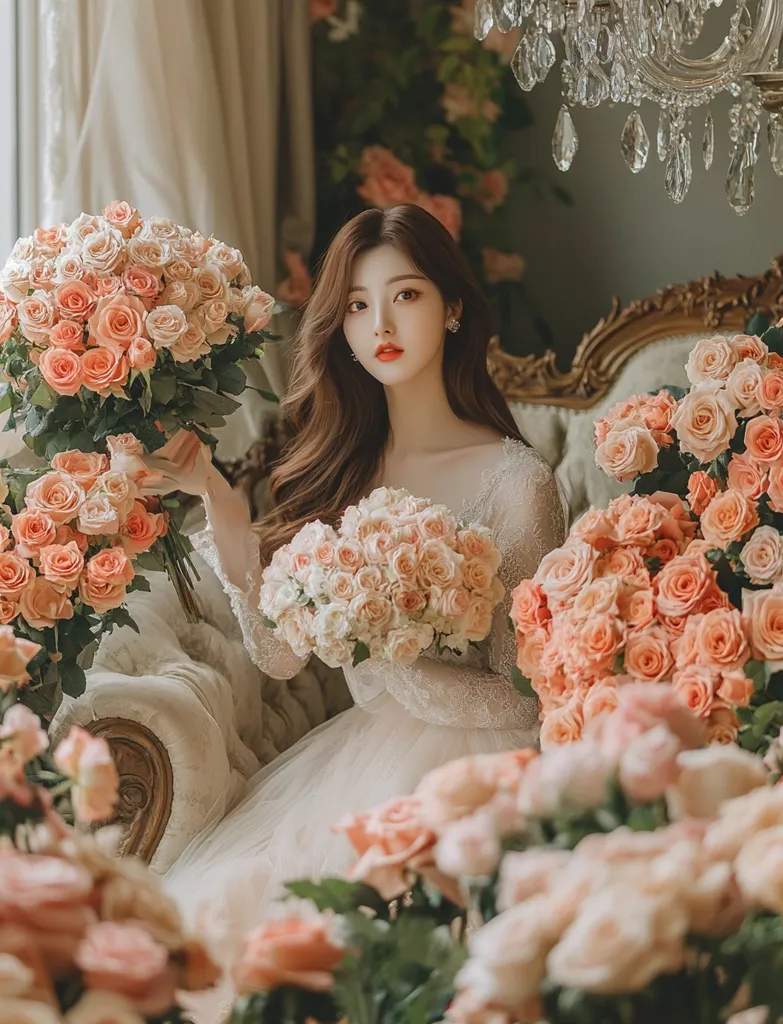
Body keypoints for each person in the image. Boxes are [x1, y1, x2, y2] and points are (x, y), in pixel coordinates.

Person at [155, 204, 566, 1020]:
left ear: (452, 310)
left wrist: (392, 649)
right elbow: (279, 658)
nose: (380, 323)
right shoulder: (337, 471)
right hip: (351, 762)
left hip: (483, 774)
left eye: (406, 296)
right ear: (338, 327)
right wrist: (221, 503)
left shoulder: (517, 483)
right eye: (356, 304)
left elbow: (528, 695)